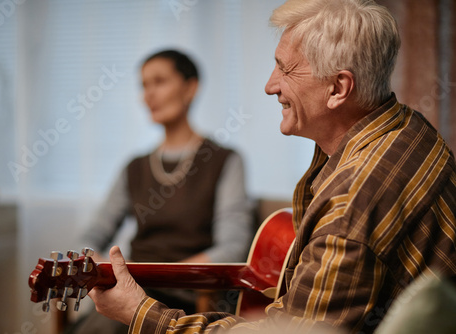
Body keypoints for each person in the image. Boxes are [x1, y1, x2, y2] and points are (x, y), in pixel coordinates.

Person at [87, 1, 456, 333]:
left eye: (285, 69)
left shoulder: (349, 206)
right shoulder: (410, 127)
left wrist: (139, 312)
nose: (269, 85)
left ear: (338, 89)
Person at [73, 50, 253, 333]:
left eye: (159, 81)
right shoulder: (135, 167)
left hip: (188, 301)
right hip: (131, 288)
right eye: (144, 85)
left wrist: (159, 276)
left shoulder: (225, 160)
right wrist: (97, 262)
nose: (149, 95)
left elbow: (232, 247)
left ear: (191, 88)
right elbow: (91, 236)